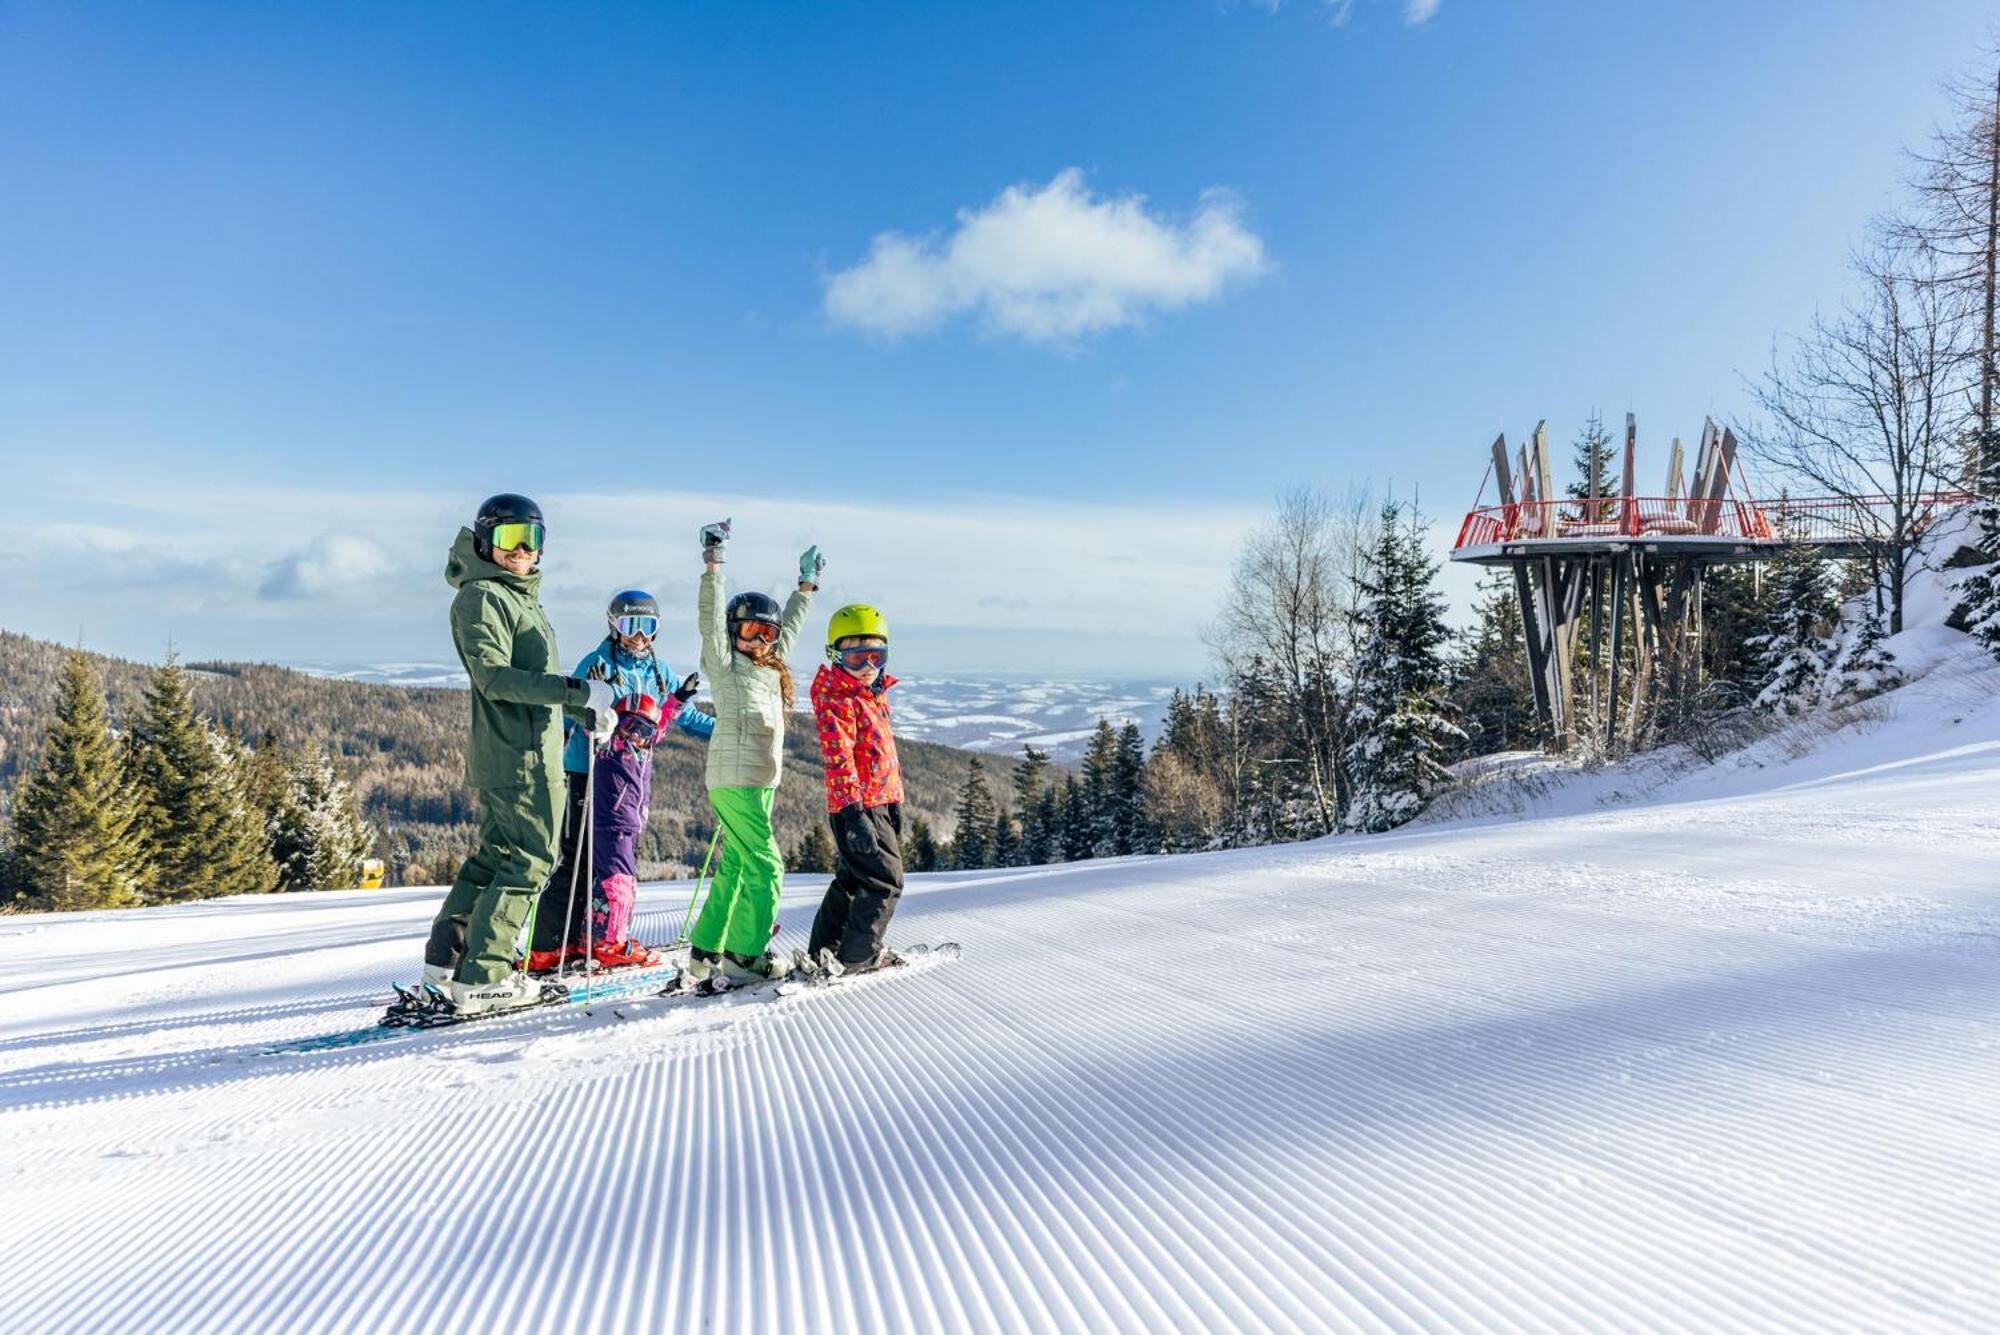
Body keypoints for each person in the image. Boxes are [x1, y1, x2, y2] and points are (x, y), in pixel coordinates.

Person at [423, 494, 616, 1014]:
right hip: (522, 759)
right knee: (530, 862)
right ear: (486, 541)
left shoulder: (516, 597)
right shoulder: (484, 596)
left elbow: (531, 689)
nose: (522, 549)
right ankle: (484, 976)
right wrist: (577, 693)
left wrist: (583, 713)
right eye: (510, 538)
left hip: (522, 751)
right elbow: (494, 678)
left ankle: (449, 959)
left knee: (496, 858)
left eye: (532, 539)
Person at [527, 588, 713, 968]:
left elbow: (682, 716)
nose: (639, 636)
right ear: (614, 626)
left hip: (628, 778)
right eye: (631, 625)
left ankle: (586, 936)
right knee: (573, 859)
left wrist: (724, 731)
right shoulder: (598, 665)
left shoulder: (659, 673)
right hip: (585, 771)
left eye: (647, 627)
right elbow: (569, 709)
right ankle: (548, 945)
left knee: (606, 858)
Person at [684, 519, 819, 986]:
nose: (759, 640)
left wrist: (806, 587)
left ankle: (707, 950)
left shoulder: (770, 667)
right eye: (749, 631)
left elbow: (793, 629)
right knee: (767, 865)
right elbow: (709, 619)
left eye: (767, 633)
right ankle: (746, 957)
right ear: (732, 632)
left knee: (740, 865)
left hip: (759, 781)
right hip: (735, 780)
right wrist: (714, 562)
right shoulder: (725, 665)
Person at [808, 604, 907, 974]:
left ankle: (826, 951)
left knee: (853, 878)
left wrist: (894, 800)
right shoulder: (838, 698)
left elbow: (882, 753)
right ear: (835, 656)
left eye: (875, 656)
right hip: (858, 807)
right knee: (886, 882)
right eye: (855, 657)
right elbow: (839, 759)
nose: (867, 666)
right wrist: (854, 814)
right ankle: (859, 956)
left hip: (876, 802)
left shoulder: (871, 693)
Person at [581, 692, 687, 968]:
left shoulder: (644, 750)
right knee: (620, 886)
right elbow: (594, 727)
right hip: (613, 823)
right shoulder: (611, 745)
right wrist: (598, 700)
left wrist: (677, 700)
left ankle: (596, 936)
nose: (637, 736)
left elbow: (660, 725)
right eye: (631, 727)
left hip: (626, 826)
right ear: (618, 724)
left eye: (645, 731)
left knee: (611, 883)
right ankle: (611, 944)